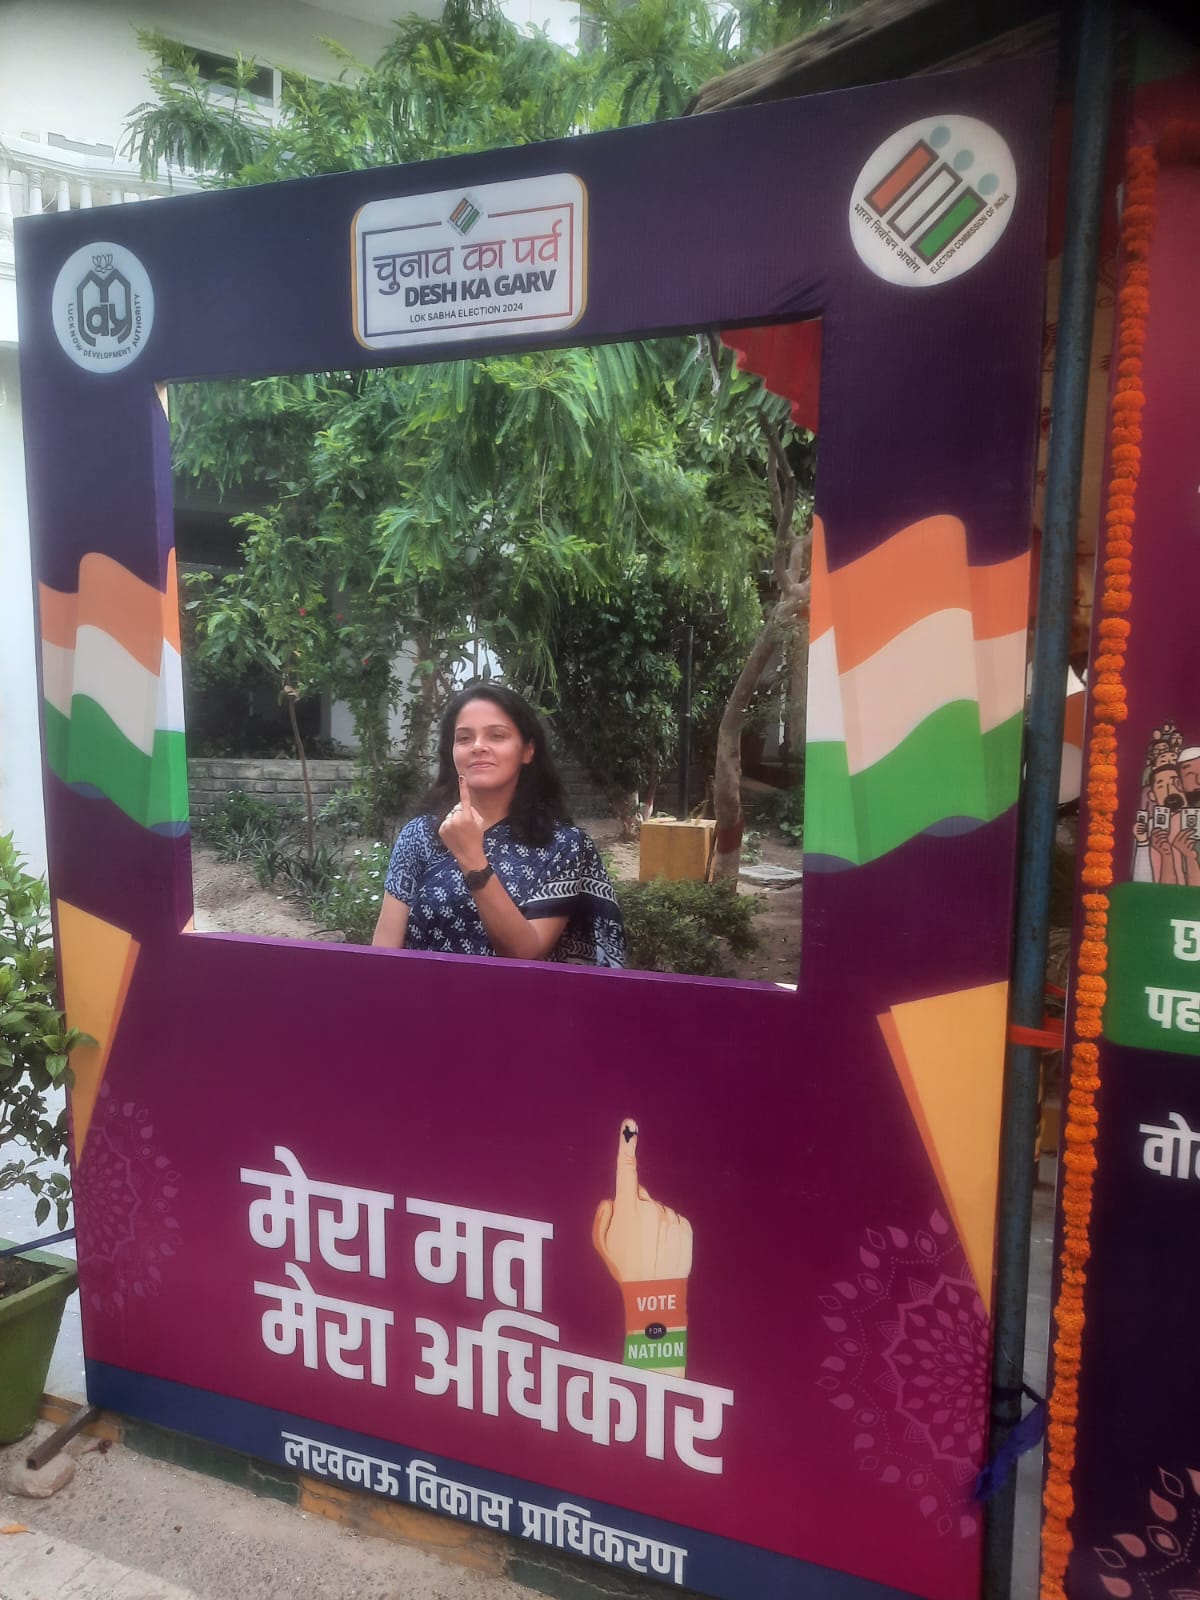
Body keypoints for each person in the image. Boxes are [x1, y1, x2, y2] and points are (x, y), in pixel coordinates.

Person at [372, 685, 625, 966]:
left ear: (527, 751)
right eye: (464, 738)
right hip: (421, 1004)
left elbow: (526, 952)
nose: (478, 746)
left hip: (517, 1006)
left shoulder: (563, 846)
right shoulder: (419, 835)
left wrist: (472, 858)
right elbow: (384, 953)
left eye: (497, 735)